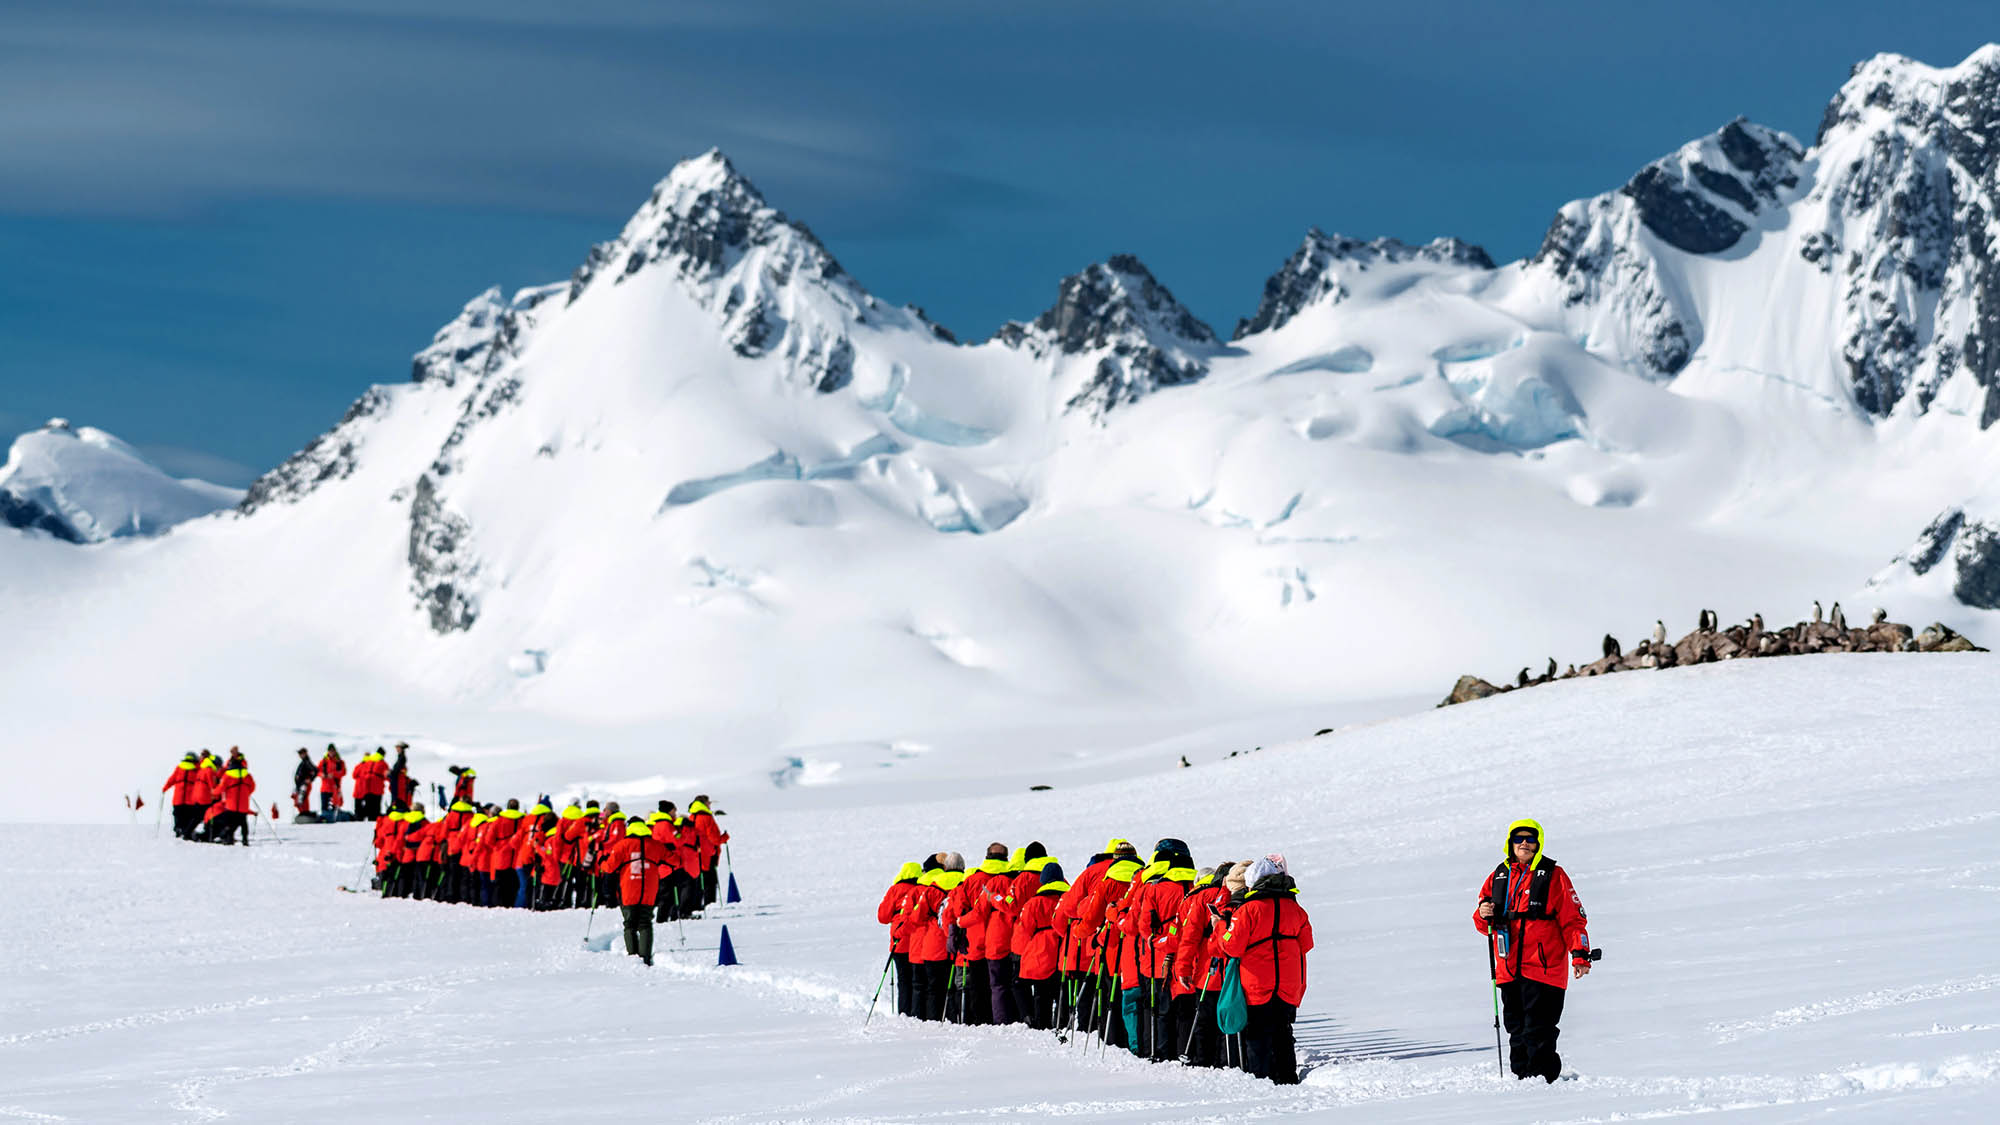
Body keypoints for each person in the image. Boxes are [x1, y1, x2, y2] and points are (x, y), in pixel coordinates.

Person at [1475, 818, 1592, 1083]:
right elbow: (1483, 925)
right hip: (1508, 968)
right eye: (1519, 839)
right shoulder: (1498, 876)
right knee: (1515, 1030)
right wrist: (1483, 914)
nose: (1524, 843)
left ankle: (1543, 1080)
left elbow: (1573, 920)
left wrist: (1580, 954)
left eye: (1530, 839)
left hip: (1544, 968)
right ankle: (1521, 1080)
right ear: (1510, 843)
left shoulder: (1554, 875)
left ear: (1538, 843)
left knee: (1538, 1029)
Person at [1220, 853, 1313, 1084]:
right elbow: (1306, 943)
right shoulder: (1296, 909)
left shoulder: (1248, 911)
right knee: (1282, 1033)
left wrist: (1220, 928)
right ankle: (1288, 1079)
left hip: (1257, 985)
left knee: (1258, 1036)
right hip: (1288, 984)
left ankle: (1261, 1081)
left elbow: (1232, 947)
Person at [1012, 861, 1069, 1029]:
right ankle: (1062, 1024)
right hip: (1063, 949)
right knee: (1061, 993)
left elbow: (1025, 929)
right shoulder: (1067, 898)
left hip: (1041, 952)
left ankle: (1040, 1025)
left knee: (1041, 994)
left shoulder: (1033, 903)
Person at [608, 817, 673, 965]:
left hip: (629, 889)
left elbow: (609, 867)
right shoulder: (656, 845)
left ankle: (633, 957)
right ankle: (645, 957)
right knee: (645, 923)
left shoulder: (623, 845)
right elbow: (675, 861)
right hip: (649, 889)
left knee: (629, 924)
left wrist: (602, 861)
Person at [877, 861, 923, 1017]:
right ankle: (918, 1013)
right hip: (918, 942)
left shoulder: (895, 890)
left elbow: (883, 917)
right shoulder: (921, 890)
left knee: (903, 980)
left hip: (899, 942)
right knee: (918, 980)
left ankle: (904, 1012)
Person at [688, 796, 729, 908]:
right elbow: (714, 838)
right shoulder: (706, 818)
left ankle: (695, 904)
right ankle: (709, 904)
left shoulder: (691, 816)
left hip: (694, 854)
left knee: (697, 880)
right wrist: (724, 838)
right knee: (710, 881)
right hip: (708, 853)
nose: (710, 805)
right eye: (708, 802)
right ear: (704, 803)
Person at [215, 749, 257, 846]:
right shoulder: (247, 775)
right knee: (243, 823)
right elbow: (252, 787)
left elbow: (221, 788)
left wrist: (213, 792)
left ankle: (229, 839)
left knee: (230, 822)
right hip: (243, 804)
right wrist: (245, 793)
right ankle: (245, 840)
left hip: (231, 804)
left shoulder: (227, 775)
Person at [162, 752, 203, 839]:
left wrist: (165, 788)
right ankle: (187, 832)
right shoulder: (196, 769)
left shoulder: (179, 768)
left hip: (178, 799)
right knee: (189, 817)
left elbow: (171, 780)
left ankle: (178, 829)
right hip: (190, 800)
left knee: (177, 815)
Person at [351, 748, 388, 821]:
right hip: (377, 787)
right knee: (376, 806)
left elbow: (354, 775)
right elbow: (386, 776)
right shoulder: (382, 763)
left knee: (366, 805)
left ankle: (361, 818)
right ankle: (373, 819)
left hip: (366, 788)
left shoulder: (366, 763)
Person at [317, 745, 347, 821]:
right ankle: (325, 819)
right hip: (324, 788)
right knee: (324, 807)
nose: (331, 752)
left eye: (333, 750)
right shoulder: (324, 761)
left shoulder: (339, 762)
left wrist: (333, 774)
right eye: (330, 751)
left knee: (334, 806)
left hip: (335, 789)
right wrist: (322, 775)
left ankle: (332, 820)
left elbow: (343, 772)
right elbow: (317, 771)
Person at [291, 748, 315, 816]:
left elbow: (315, 770)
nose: (300, 755)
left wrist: (310, 779)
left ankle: (305, 812)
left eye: (301, 753)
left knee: (303, 799)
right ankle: (303, 813)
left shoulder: (307, 762)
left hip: (305, 785)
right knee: (299, 799)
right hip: (300, 785)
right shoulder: (303, 762)